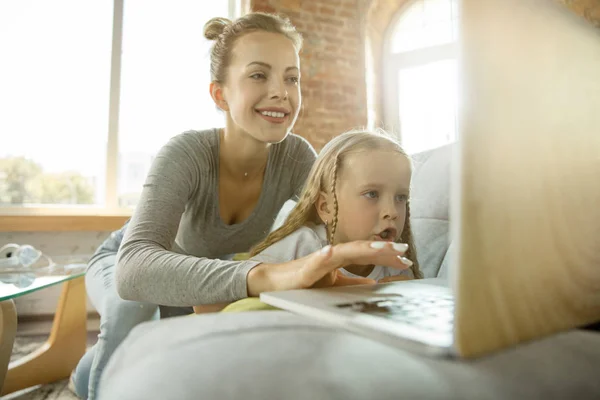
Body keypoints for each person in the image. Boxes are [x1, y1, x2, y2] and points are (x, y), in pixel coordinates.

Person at [73, 11, 409, 400]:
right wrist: (262, 275)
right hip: (126, 259)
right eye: (258, 75)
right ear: (220, 94)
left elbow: (333, 220)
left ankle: (83, 372)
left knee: (149, 359)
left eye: (291, 77)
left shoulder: (298, 157)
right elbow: (132, 269)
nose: (282, 92)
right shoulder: (187, 153)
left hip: (200, 284)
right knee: (129, 308)